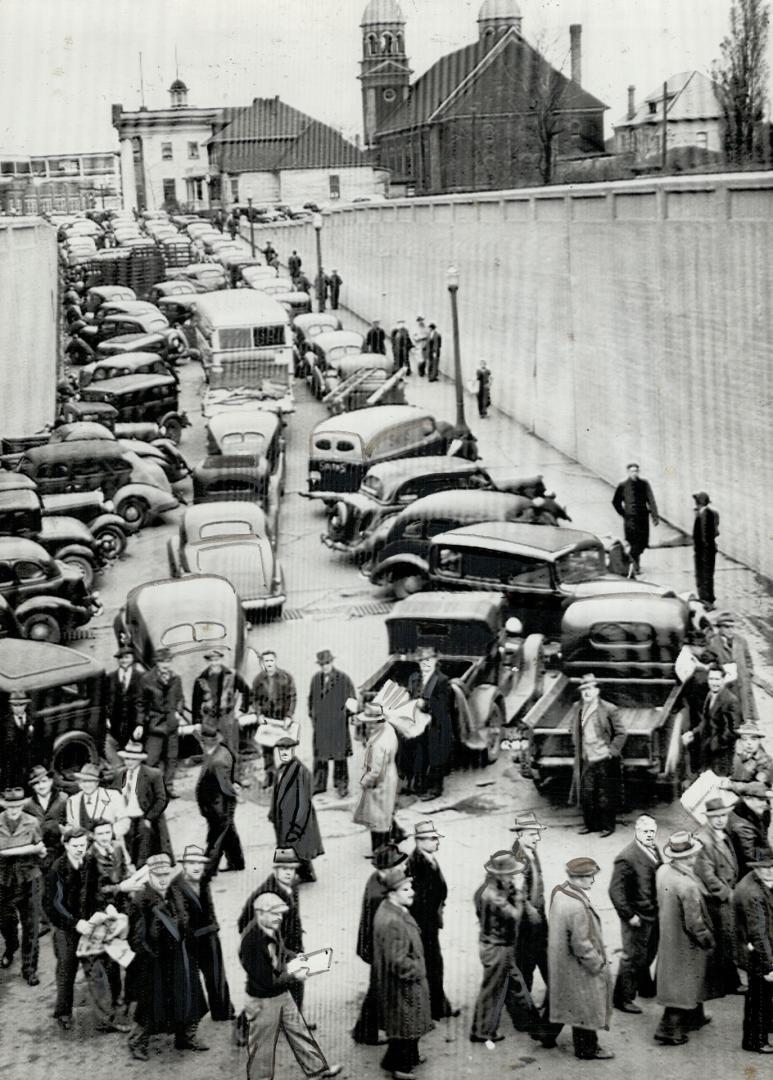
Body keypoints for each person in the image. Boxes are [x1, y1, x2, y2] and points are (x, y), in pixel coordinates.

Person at [238, 892, 342, 1080]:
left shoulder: (271, 928)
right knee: (262, 1047)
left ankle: (317, 1070)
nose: (279, 918)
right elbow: (267, 980)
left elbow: (280, 951)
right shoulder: (251, 941)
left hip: (281, 994)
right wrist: (296, 974)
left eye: (280, 913)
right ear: (260, 913)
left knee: (299, 1031)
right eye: (274, 913)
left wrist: (296, 957)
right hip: (263, 1001)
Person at [127, 851, 209, 1060]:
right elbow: (137, 938)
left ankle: (185, 1037)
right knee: (150, 1005)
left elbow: (186, 919)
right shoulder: (141, 900)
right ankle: (137, 1043)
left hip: (180, 954)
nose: (163, 879)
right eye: (158, 875)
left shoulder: (176, 892)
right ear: (150, 876)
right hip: (155, 961)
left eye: (165, 874)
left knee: (188, 997)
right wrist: (150, 956)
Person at [540, 856, 614, 1061]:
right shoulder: (577, 906)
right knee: (586, 1006)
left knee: (563, 998)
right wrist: (597, 964)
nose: (593, 881)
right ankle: (587, 1049)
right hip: (578, 965)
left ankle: (545, 1034)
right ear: (579, 879)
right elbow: (581, 944)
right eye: (590, 877)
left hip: (561, 960)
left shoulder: (560, 892)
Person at [470, 850, 538, 1044]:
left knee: (515, 982)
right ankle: (482, 1031)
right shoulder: (494, 895)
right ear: (501, 875)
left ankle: (528, 1019)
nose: (514, 877)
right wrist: (518, 893)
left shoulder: (488, 889)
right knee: (493, 989)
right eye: (511, 874)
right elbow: (515, 915)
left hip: (497, 945)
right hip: (497, 947)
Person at [654, 831, 715, 1046]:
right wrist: (707, 939)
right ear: (688, 857)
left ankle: (695, 1017)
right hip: (686, 942)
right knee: (683, 985)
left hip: (670, 936)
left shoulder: (663, 871)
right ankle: (669, 1030)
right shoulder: (687, 885)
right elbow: (694, 922)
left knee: (684, 981)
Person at [373, 863, 433, 1080]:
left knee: (409, 1024)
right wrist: (418, 970)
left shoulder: (392, 910)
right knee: (406, 1027)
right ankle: (399, 1068)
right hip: (402, 984)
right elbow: (397, 961)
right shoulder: (392, 921)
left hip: (400, 983)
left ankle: (405, 1059)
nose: (412, 892)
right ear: (392, 894)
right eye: (405, 890)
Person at [80, 818, 133, 1032]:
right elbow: (94, 891)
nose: (104, 837)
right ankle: (107, 1015)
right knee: (101, 962)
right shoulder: (89, 858)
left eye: (107, 832)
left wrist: (130, 880)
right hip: (101, 914)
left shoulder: (117, 848)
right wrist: (121, 887)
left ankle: (117, 998)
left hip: (120, 911)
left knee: (117, 957)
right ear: (93, 835)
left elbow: (124, 872)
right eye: (100, 833)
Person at [352, 843, 407, 1046]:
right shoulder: (380, 895)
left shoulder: (376, 880)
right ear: (386, 870)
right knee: (378, 989)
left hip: (374, 947)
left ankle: (366, 1030)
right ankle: (366, 1032)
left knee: (378, 988)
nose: (402, 869)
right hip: (378, 949)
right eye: (397, 866)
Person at [172, 844, 233, 1023]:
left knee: (216, 974)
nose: (197, 867)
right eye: (191, 863)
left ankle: (222, 1011)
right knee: (192, 979)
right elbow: (182, 918)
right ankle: (192, 1019)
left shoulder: (203, 879)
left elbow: (209, 905)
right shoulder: (177, 886)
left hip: (209, 934)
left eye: (200, 863)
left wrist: (214, 926)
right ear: (184, 866)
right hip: (191, 938)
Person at [609, 814, 662, 1013]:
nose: (649, 835)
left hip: (653, 913)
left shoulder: (654, 849)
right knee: (631, 957)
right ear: (637, 832)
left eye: (652, 832)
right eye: (645, 831)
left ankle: (644, 986)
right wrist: (629, 915)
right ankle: (622, 998)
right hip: (637, 917)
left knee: (648, 952)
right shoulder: (626, 857)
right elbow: (615, 891)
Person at [406, 821, 458, 1022]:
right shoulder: (417, 863)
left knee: (434, 963)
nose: (437, 843)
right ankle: (435, 1007)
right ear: (419, 841)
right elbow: (420, 899)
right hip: (424, 925)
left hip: (430, 922)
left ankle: (437, 1005)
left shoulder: (428, 859)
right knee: (432, 964)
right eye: (433, 839)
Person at [694, 796, 743, 996]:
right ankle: (717, 987)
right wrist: (728, 894)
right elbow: (707, 876)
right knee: (721, 941)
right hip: (717, 899)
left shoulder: (722, 834)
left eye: (723, 815)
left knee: (727, 940)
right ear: (708, 819)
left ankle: (728, 983)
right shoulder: (703, 840)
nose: (721, 820)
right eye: (715, 817)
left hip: (727, 894)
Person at [43, 825, 91, 1028]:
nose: (80, 849)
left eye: (83, 844)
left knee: (97, 966)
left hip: (87, 923)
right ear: (66, 845)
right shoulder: (56, 870)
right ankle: (63, 1013)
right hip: (66, 927)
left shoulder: (89, 862)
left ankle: (107, 1011)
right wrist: (74, 923)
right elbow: (53, 905)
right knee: (66, 967)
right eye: (75, 846)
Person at [570, 673, 626, 837]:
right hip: (587, 758)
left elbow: (621, 733)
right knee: (587, 793)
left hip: (604, 759)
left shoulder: (608, 709)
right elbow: (572, 728)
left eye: (590, 688)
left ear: (597, 691)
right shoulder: (577, 708)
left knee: (605, 794)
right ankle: (590, 825)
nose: (586, 692)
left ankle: (608, 827)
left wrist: (611, 751)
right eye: (583, 689)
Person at [0, 786, 45, 985]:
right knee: (5, 921)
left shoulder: (32, 822)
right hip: (3, 880)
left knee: (31, 925)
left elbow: (41, 848)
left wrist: (34, 850)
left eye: (17, 806)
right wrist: (26, 849)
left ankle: (29, 968)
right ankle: (11, 946)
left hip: (29, 878)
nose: (13, 810)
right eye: (9, 807)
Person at [270, 735, 323, 883]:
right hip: (283, 818)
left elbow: (304, 802)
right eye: (281, 750)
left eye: (287, 749)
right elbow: (276, 795)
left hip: (296, 819)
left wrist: (298, 826)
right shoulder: (280, 770)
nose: (284, 753)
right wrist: (272, 814)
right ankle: (304, 873)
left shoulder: (301, 772)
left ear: (293, 750)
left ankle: (300, 875)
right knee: (291, 848)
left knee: (297, 847)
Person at [733, 856, 773, 1053]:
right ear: (756, 868)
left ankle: (764, 1028)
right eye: (764, 868)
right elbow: (758, 934)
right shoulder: (752, 893)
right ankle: (755, 1041)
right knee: (759, 997)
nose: (770, 871)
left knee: (763, 996)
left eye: (772, 866)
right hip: (756, 953)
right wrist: (769, 966)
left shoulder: (756, 880)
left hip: (758, 947)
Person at [195, 722, 245, 874]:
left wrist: (235, 792)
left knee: (216, 838)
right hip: (216, 804)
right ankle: (237, 862)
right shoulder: (219, 751)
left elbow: (226, 786)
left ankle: (208, 868)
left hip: (218, 805)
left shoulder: (218, 761)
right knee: (228, 832)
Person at [113, 738, 171, 868]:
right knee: (124, 846)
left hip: (143, 816)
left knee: (144, 844)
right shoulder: (120, 774)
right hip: (125, 817)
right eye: (127, 759)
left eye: (133, 759)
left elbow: (162, 799)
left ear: (139, 760)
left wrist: (149, 817)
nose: (129, 762)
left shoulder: (152, 774)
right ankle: (128, 870)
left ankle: (142, 868)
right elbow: (113, 795)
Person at [407, 645, 454, 801]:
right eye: (421, 661)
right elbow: (410, 696)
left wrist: (425, 705)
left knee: (436, 755)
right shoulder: (415, 678)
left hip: (437, 724)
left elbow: (444, 705)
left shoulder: (442, 680)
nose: (425, 664)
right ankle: (419, 785)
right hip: (419, 723)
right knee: (420, 754)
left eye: (428, 660)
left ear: (435, 661)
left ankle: (436, 788)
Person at [509, 811, 549, 997]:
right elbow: (519, 895)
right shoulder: (517, 857)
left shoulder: (530, 850)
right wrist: (534, 916)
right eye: (532, 834)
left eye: (537, 833)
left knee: (543, 957)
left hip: (538, 917)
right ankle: (523, 1008)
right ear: (520, 834)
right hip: (528, 922)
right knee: (527, 963)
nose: (537, 838)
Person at [353, 702, 401, 851]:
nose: (367, 726)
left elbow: (375, 770)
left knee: (377, 818)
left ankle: (380, 851)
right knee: (384, 814)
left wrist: (364, 782)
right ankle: (391, 840)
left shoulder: (379, 743)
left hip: (380, 782)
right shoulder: (388, 729)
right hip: (389, 776)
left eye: (369, 723)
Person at [136, 648, 185, 797]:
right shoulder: (146, 679)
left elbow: (180, 698)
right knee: (151, 759)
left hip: (171, 724)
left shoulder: (176, 678)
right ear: (157, 662)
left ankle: (168, 787)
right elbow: (140, 703)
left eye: (168, 661)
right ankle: (148, 790)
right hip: (154, 726)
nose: (166, 664)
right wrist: (139, 723)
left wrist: (178, 712)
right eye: (162, 661)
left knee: (171, 757)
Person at [308, 649, 355, 798]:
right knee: (320, 756)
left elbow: (352, 701)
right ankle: (318, 785)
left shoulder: (343, 679)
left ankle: (341, 785)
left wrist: (344, 717)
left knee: (340, 756)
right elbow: (311, 700)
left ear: (332, 662)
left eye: (327, 663)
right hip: (321, 725)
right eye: (322, 664)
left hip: (338, 725)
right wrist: (313, 716)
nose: (325, 667)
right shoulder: (316, 679)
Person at [191, 648, 249, 762]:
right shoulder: (201, 679)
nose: (214, 663)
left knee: (231, 749)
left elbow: (246, 691)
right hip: (209, 720)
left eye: (217, 660)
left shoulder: (232, 675)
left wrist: (242, 709)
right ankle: (214, 778)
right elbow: (196, 702)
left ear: (221, 660)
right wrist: (197, 722)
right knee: (211, 751)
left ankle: (232, 778)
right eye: (211, 660)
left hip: (227, 717)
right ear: (208, 662)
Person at [682, 665, 741, 776]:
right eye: (711, 679)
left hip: (722, 755)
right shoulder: (710, 695)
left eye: (717, 679)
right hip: (707, 751)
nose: (714, 683)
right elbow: (705, 720)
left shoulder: (731, 700)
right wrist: (693, 733)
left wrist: (716, 744)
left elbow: (733, 730)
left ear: (723, 679)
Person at [252, 649, 298, 788]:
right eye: (266, 661)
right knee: (267, 749)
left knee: (285, 747)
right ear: (263, 663)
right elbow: (254, 698)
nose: (269, 663)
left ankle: (289, 775)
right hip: (267, 718)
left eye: (271, 660)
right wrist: (259, 714)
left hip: (281, 718)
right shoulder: (258, 680)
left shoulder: (286, 677)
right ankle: (270, 776)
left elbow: (292, 697)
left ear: (275, 661)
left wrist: (289, 716)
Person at [705, 610, 759, 725]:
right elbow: (710, 662)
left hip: (742, 680)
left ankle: (743, 725)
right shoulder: (713, 643)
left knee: (744, 707)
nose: (730, 630)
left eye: (732, 627)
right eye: (727, 627)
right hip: (726, 682)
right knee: (728, 710)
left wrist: (749, 672)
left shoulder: (741, 641)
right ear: (720, 628)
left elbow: (748, 658)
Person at [611, 462, 659, 575]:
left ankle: (632, 564)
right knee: (634, 543)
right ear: (628, 472)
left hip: (643, 519)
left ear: (638, 472)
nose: (634, 473)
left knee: (642, 544)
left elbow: (651, 500)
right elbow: (615, 501)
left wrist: (655, 516)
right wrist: (623, 513)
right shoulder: (623, 485)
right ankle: (634, 567)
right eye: (632, 471)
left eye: (636, 471)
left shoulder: (644, 484)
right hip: (630, 520)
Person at [104, 647, 144, 767]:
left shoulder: (141, 677)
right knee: (117, 750)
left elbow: (142, 702)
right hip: (116, 722)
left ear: (133, 659)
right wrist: (107, 717)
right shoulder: (111, 677)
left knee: (134, 753)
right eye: (120, 658)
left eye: (127, 657)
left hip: (134, 723)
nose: (123, 660)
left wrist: (140, 724)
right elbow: (107, 699)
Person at [65, 762, 129, 836]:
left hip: (109, 842)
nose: (86, 785)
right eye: (83, 781)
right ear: (78, 782)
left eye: (90, 781)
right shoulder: (72, 800)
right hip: (83, 845)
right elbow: (71, 825)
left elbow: (124, 821)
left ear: (97, 782)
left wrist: (108, 835)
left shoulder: (113, 795)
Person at [726, 782, 773, 878]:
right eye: (760, 800)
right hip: (742, 865)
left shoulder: (760, 809)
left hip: (756, 850)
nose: (765, 804)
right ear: (747, 799)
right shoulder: (741, 825)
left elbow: (763, 835)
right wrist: (768, 859)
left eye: (766, 799)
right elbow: (752, 854)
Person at [0, 691, 42, 791]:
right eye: (15, 705)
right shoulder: (3, 724)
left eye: (21, 705)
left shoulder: (35, 721)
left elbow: (41, 744)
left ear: (26, 705)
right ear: (10, 706)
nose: (18, 708)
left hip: (30, 767)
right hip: (9, 768)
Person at [692, 492, 719, 608]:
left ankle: (706, 600)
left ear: (699, 503)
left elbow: (703, 536)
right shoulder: (710, 513)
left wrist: (703, 551)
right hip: (707, 551)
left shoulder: (703, 515)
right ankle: (707, 598)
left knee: (704, 575)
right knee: (706, 575)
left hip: (704, 552)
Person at [730, 722, 773, 787]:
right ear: (740, 741)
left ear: (759, 741)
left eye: (753, 739)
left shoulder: (767, 761)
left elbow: (762, 787)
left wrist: (731, 786)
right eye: (744, 739)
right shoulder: (737, 756)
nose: (749, 742)